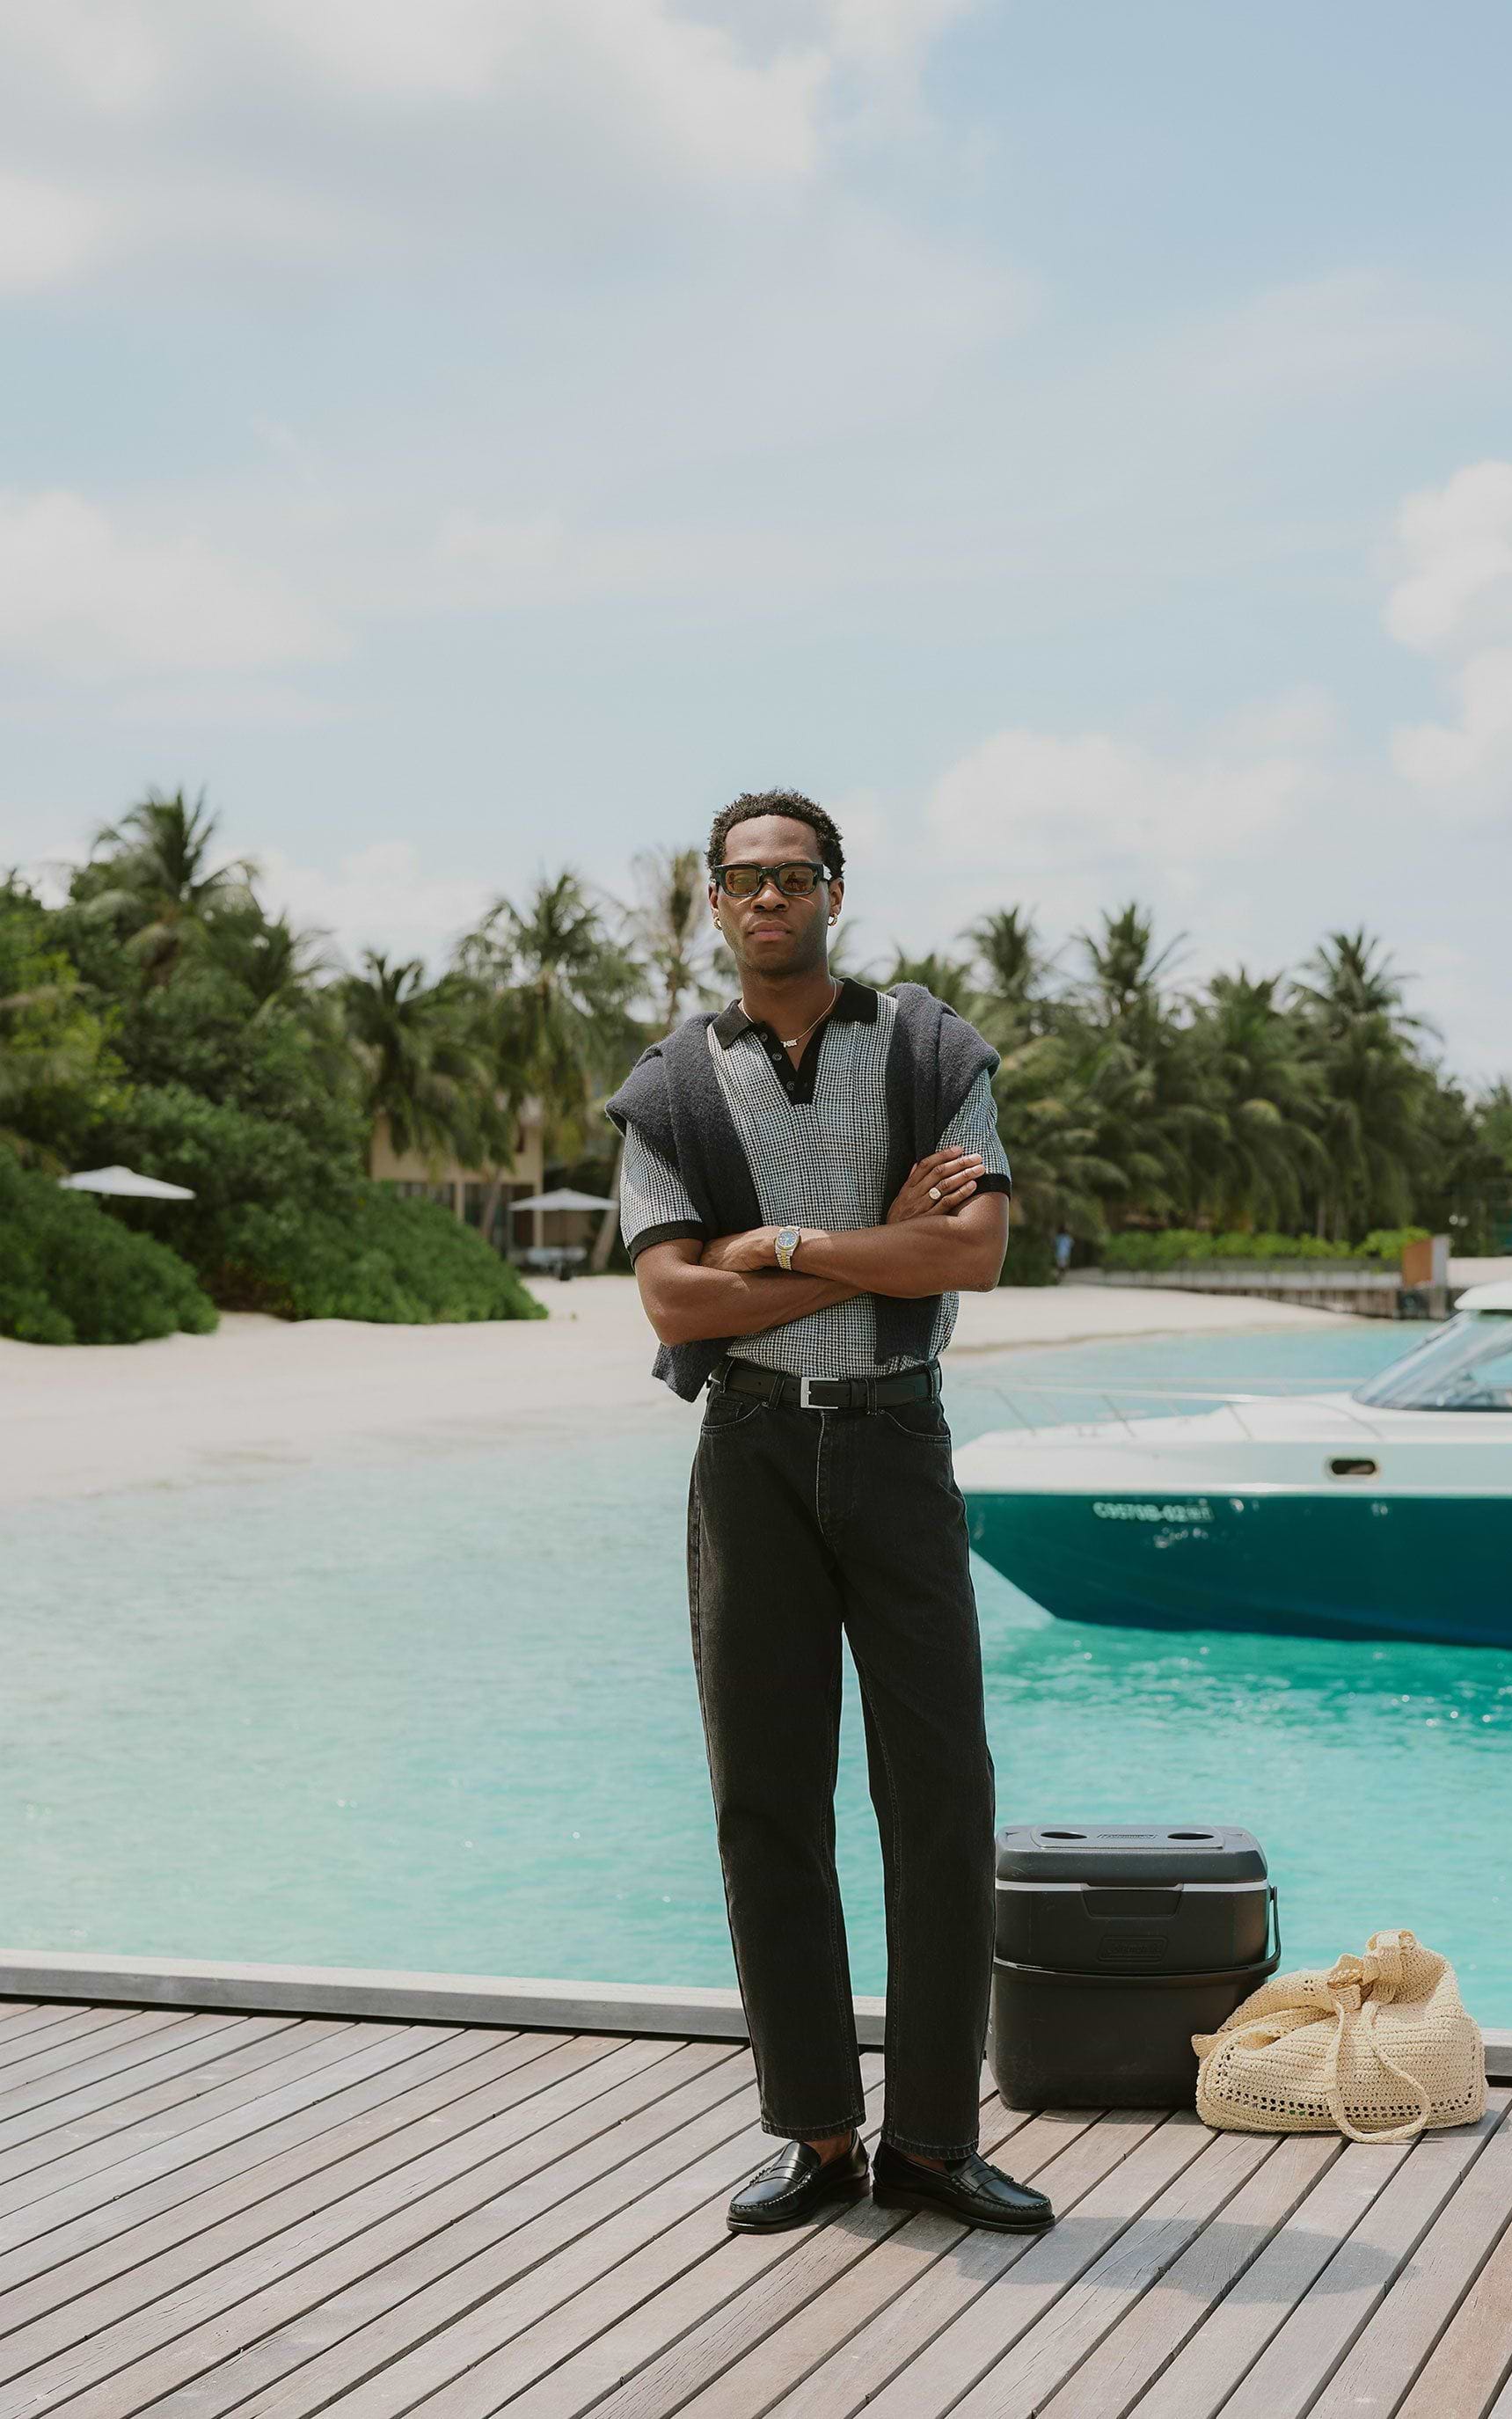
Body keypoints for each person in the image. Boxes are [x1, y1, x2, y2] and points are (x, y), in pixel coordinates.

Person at [605, 787, 1055, 2240]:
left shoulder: (931, 1052)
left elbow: (976, 1251)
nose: (770, 898)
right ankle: (814, 2133)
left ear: (836, 890)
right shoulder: (672, 1085)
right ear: (713, 902)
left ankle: (932, 2139)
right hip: (745, 1451)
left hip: (894, 1442)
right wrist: (886, 1254)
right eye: (744, 879)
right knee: (765, 1797)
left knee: (942, 1792)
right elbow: (675, 1295)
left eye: (795, 875)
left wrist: (790, 1245)